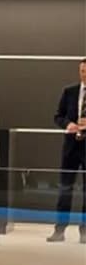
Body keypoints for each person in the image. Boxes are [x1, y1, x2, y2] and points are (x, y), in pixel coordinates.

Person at [48, 59, 85, 242]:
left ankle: (85, 231)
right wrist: (68, 124)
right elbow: (57, 116)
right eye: (82, 70)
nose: (84, 74)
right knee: (65, 189)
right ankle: (59, 230)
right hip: (70, 147)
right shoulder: (69, 91)